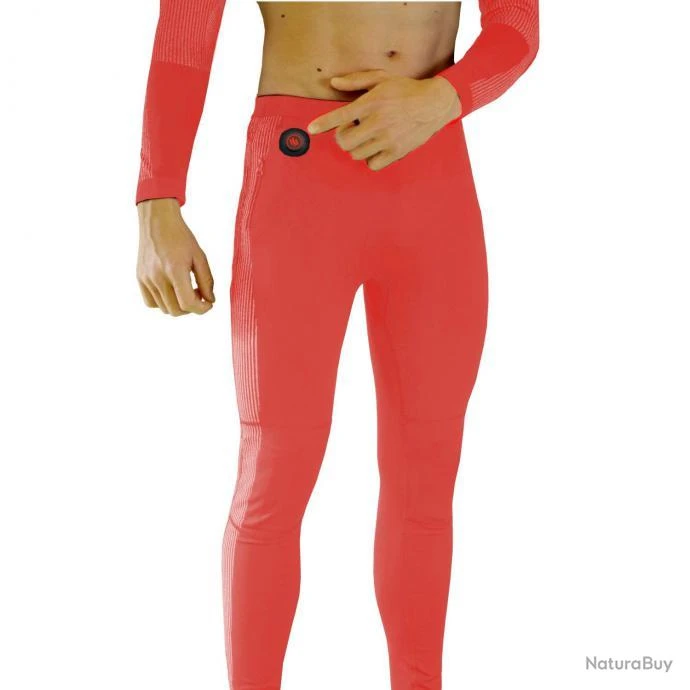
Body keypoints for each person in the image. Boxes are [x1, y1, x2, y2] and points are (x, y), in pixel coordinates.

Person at [135, 2, 538, 688]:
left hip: (431, 178)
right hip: (299, 180)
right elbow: (185, 35)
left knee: (427, 478)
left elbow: (517, 29)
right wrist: (158, 200)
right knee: (276, 470)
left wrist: (445, 97)